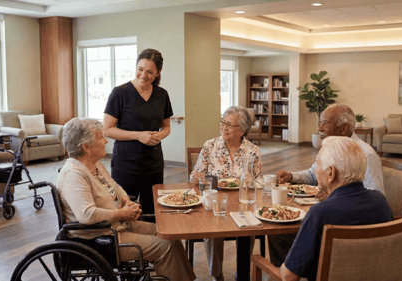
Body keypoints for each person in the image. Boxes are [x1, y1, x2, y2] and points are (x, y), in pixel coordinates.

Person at [57, 117, 195, 281]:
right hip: (101, 238)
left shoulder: (94, 163)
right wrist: (122, 214)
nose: (105, 140)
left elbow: (115, 185)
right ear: (86, 147)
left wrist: (125, 200)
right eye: (101, 137)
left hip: (117, 227)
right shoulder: (74, 174)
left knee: (170, 235)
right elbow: (87, 215)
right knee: (164, 246)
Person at [269, 104, 386, 267]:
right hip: (336, 224)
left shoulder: (365, 154)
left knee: (280, 230)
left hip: (348, 233)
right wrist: (292, 176)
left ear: (344, 128)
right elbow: (313, 174)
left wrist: (334, 197)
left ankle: (291, 270)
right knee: (279, 231)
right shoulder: (331, 147)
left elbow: (373, 193)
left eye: (324, 122)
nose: (319, 127)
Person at [280, 136, 393, 281]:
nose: (315, 171)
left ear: (331, 173)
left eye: (318, 164)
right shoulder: (381, 202)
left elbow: (289, 276)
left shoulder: (320, 213)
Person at [189, 105, 263, 281]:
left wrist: (249, 182)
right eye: (223, 123)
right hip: (215, 202)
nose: (224, 128)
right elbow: (194, 175)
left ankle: (242, 273)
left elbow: (259, 181)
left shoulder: (252, 151)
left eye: (230, 125)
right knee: (212, 231)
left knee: (250, 226)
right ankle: (217, 275)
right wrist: (197, 176)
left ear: (243, 130)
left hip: (242, 202)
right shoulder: (210, 145)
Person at [103, 48, 172, 218]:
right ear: (135, 67)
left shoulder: (162, 95)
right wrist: (138, 135)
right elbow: (107, 129)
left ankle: (152, 243)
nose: (143, 75)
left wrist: (158, 136)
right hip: (126, 165)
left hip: (153, 165)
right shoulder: (120, 93)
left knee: (152, 212)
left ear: (158, 72)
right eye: (140, 69)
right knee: (126, 211)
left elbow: (166, 127)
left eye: (150, 72)